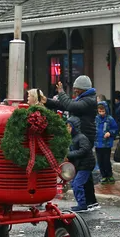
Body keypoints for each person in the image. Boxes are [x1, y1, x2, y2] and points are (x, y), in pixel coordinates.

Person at [45, 75, 99, 210]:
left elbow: (70, 105)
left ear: (83, 89)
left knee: (83, 168)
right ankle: (90, 201)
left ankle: (85, 203)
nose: (74, 92)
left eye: (76, 90)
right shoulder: (84, 98)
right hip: (82, 135)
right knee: (84, 169)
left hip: (85, 136)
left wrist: (61, 92)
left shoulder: (89, 100)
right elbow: (66, 105)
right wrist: (47, 101)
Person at [66, 116, 96, 213]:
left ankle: (82, 204)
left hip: (85, 164)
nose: (68, 129)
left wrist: (69, 155)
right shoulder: (73, 138)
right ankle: (83, 203)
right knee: (76, 183)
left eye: (69, 127)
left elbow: (84, 150)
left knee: (77, 184)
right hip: (80, 165)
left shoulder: (81, 137)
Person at [95, 102, 118, 184]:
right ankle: (103, 175)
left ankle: (109, 175)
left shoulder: (110, 119)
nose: (101, 113)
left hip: (106, 144)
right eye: (99, 111)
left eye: (103, 111)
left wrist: (110, 133)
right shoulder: (96, 119)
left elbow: (115, 129)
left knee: (106, 160)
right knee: (100, 161)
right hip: (98, 144)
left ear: (106, 110)